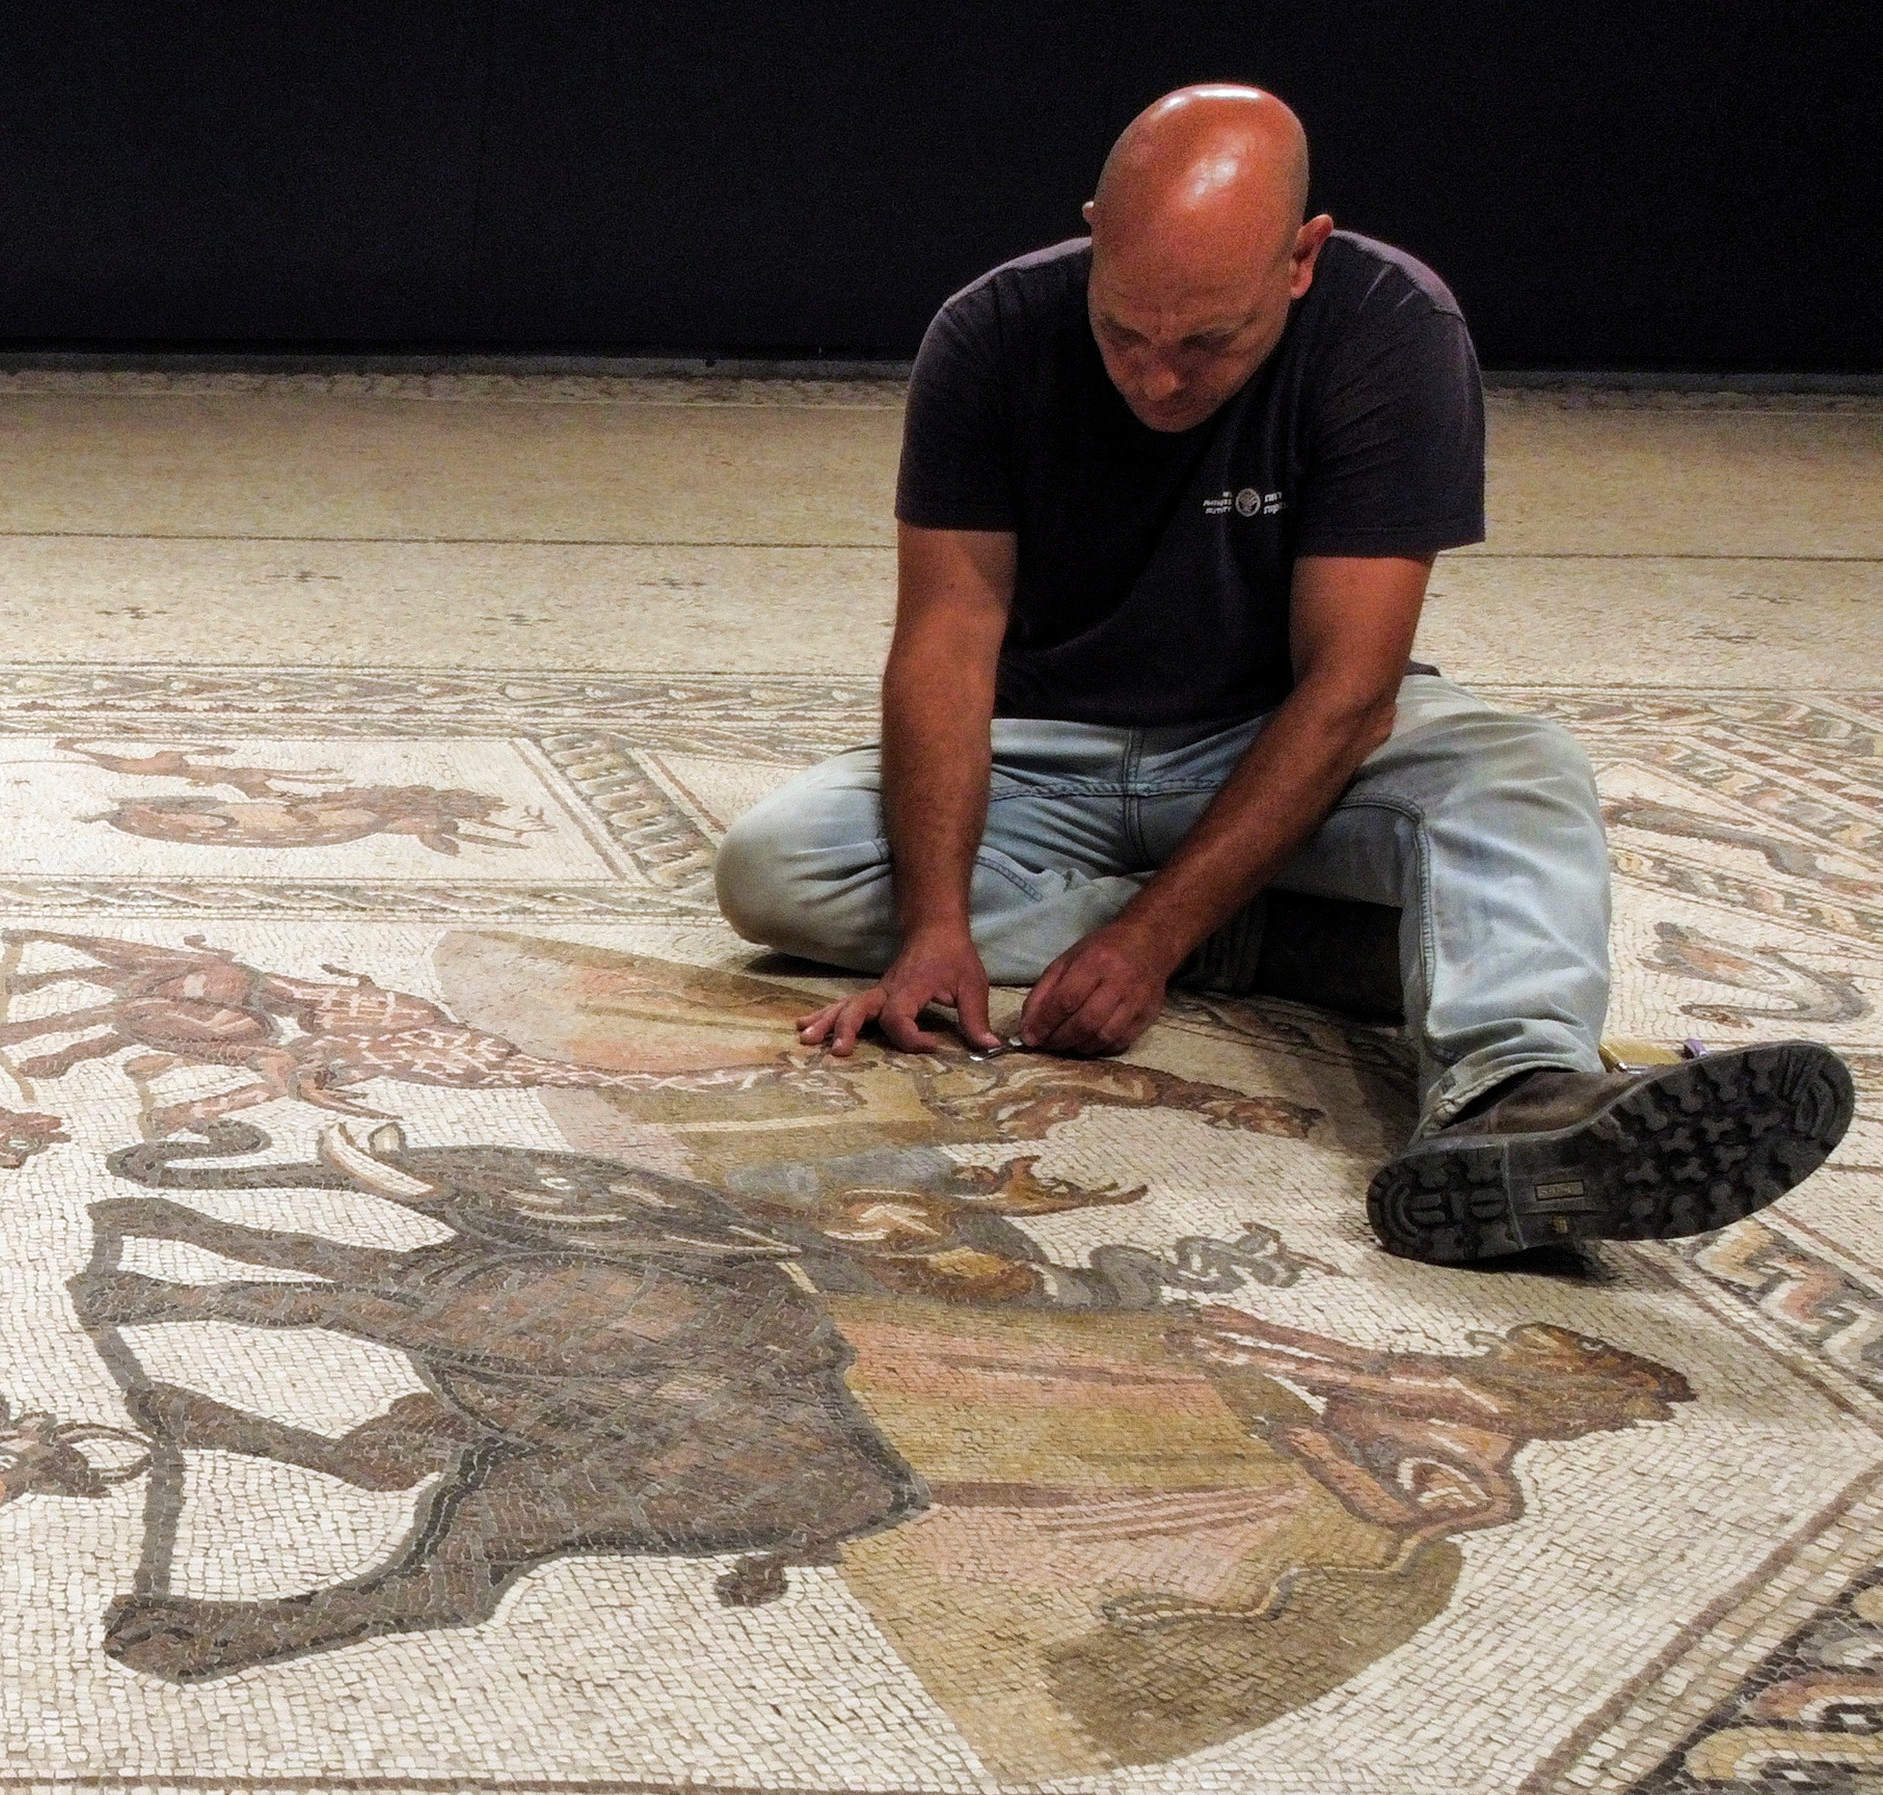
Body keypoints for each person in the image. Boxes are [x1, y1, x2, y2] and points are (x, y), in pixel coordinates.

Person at [710, 85, 1847, 1265]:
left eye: (1209, 343)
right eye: (1123, 334)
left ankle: (1510, 1100)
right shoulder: (989, 332)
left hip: (1273, 741)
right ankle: (1297, 947)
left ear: (1301, 260)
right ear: (1094, 229)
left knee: (1522, 774)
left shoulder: (1389, 328)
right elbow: (946, 641)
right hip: (1046, 745)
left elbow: (1351, 689)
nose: (1156, 380)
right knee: (779, 866)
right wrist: (937, 925)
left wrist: (1149, 942)